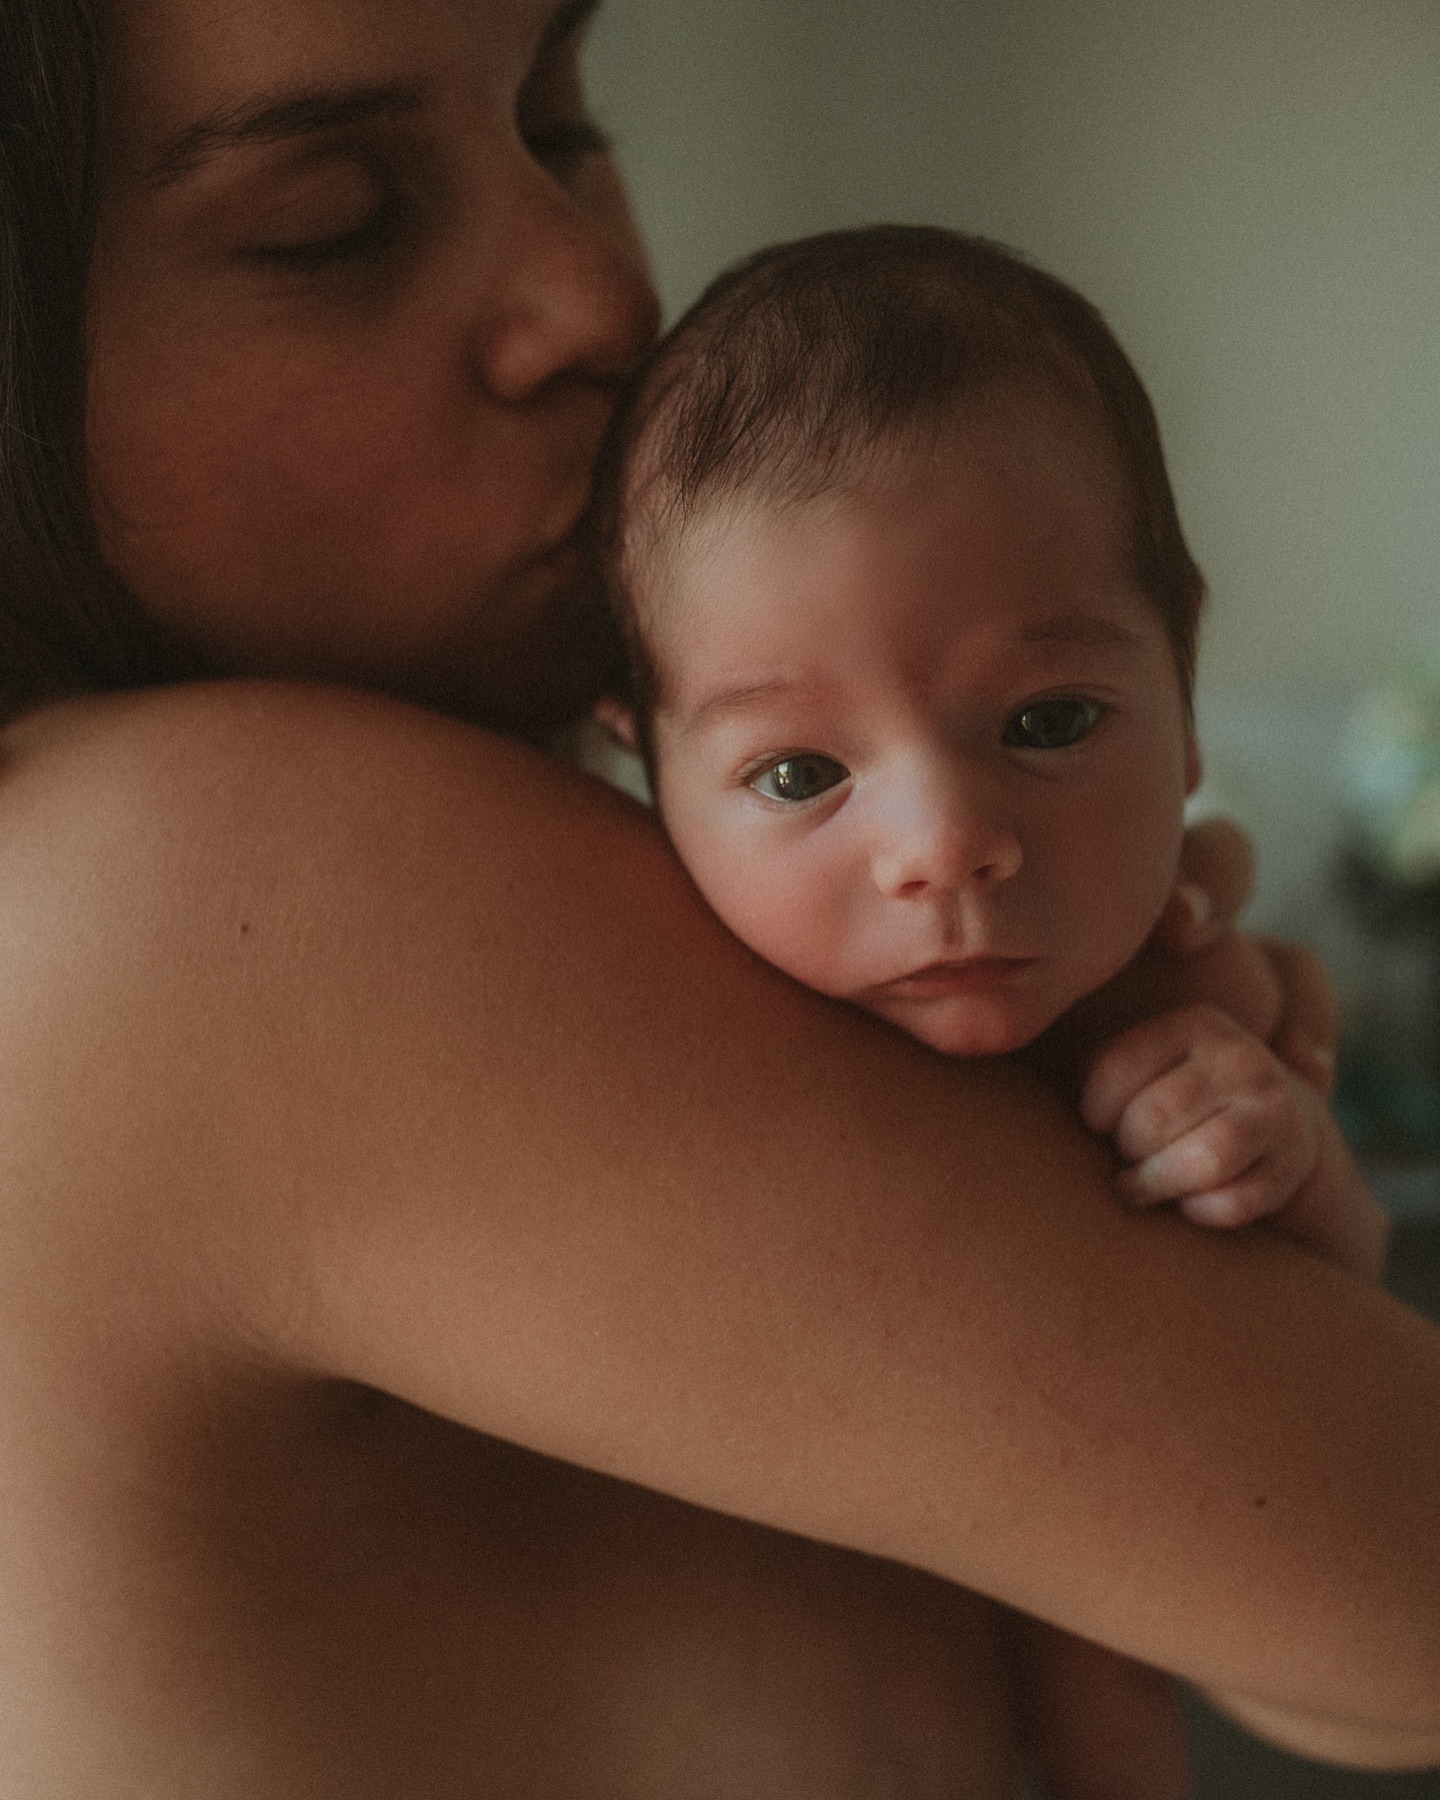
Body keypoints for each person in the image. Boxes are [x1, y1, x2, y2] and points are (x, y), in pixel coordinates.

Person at [0, 0, 1437, 1794]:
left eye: (557, 119)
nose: (594, 297)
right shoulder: (199, 875)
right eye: (333, 224)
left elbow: (1324, 1658)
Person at [591, 225, 1390, 1795]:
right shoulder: (640, 999)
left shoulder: (1175, 992)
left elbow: (1346, 1318)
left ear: (1184, 699)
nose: (946, 840)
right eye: (799, 775)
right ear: (647, 772)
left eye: (1050, 720)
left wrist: (1275, 1154)